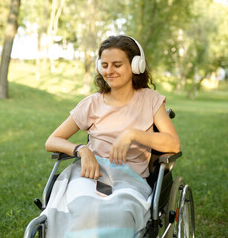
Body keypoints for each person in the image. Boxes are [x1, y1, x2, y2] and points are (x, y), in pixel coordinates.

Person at [45, 35, 180, 180]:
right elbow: (52, 141)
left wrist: (132, 134)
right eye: (104, 65)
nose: (109, 71)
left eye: (117, 65)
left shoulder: (151, 100)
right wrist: (82, 150)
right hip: (90, 177)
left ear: (135, 66)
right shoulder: (91, 103)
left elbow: (174, 144)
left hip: (129, 183)